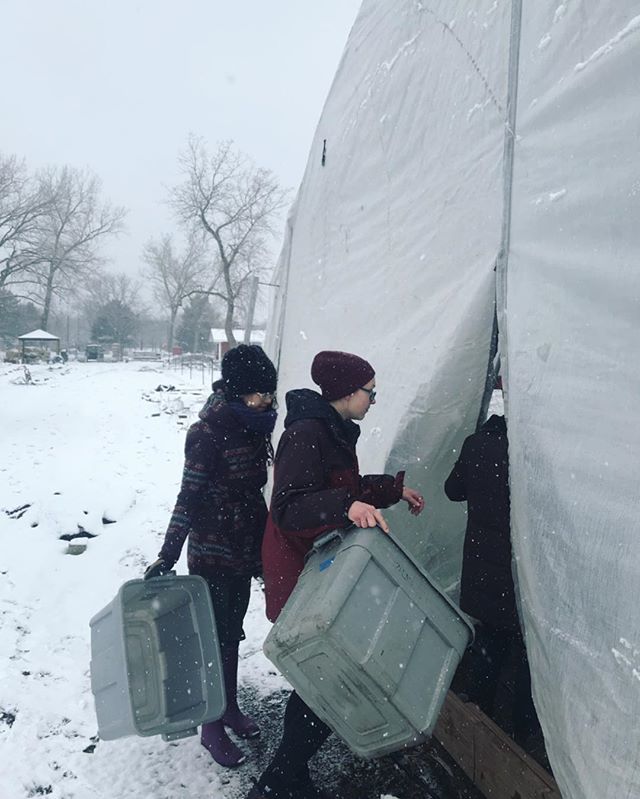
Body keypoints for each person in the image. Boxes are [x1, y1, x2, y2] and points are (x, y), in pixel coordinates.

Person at [248, 350, 425, 799]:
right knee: (322, 680)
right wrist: (345, 506)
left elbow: (341, 488)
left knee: (320, 680)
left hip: (319, 564)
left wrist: (391, 490)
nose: (373, 399)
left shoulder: (329, 430)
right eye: (370, 391)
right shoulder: (306, 433)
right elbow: (288, 506)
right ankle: (278, 781)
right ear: (347, 392)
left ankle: (289, 775)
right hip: (299, 569)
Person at [145, 344, 278, 768]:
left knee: (232, 634)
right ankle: (211, 726)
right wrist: (167, 556)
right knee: (213, 639)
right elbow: (189, 495)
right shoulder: (206, 434)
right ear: (239, 391)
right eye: (260, 393)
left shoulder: (254, 425)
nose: (268, 401)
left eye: (270, 393)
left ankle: (230, 708)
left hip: (243, 549)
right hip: (212, 552)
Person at [444, 410, 541, 752]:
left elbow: (452, 490)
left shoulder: (478, 444)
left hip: (483, 571)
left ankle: (477, 713)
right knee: (525, 648)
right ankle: (523, 728)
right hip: (517, 572)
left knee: (490, 640)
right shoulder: (528, 453)